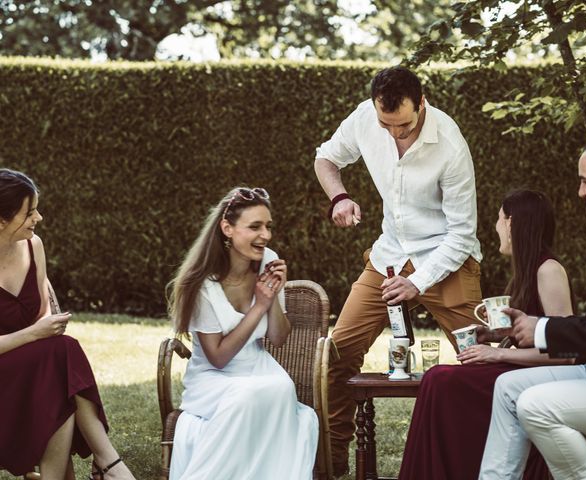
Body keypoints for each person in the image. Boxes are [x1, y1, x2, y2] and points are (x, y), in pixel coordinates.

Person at [314, 65, 483, 475]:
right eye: (385, 124)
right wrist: (339, 197)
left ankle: (488, 462)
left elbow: (462, 235)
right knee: (337, 356)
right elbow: (325, 158)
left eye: (403, 125)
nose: (394, 134)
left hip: (447, 260)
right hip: (388, 256)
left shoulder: (450, 144)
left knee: (484, 364)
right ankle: (333, 461)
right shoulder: (364, 118)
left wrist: (418, 281)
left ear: (421, 103)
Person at [479, 134, 586, 479]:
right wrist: (535, 329)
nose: (580, 192)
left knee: (534, 405)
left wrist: (544, 328)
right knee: (508, 387)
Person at [398, 189, 574, 480]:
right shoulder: (527, 271)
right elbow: (536, 332)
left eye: (498, 218)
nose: (495, 226)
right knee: (440, 379)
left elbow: (565, 352)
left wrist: (498, 353)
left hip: (539, 382)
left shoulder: (549, 270)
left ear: (512, 223)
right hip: (519, 373)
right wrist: (495, 335)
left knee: (440, 380)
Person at [167, 187, 318, 480]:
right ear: (227, 229)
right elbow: (218, 358)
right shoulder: (201, 286)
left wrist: (272, 297)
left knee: (280, 388)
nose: (266, 235)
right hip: (213, 377)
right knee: (247, 395)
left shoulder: (269, 260)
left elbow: (278, 338)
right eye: (255, 227)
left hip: (259, 365)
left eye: (268, 226)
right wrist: (259, 306)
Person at [0, 169, 136, 480]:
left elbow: (41, 315)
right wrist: (34, 334)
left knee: (58, 357)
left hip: (28, 367)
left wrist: (44, 329)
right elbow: (36, 330)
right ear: (1, 220)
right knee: (60, 356)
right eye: (29, 212)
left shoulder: (34, 246)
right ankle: (108, 464)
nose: (39, 218)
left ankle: (91, 467)